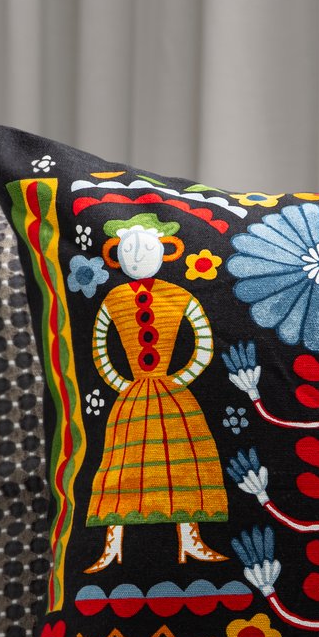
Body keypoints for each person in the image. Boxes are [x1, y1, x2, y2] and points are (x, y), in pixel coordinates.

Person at [84, 213, 227, 570]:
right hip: (133, 396)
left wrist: (182, 377)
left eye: (145, 248)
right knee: (123, 465)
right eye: (127, 249)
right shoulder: (114, 298)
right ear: (116, 256)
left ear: (165, 250)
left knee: (184, 464)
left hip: (171, 392)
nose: (136, 256)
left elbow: (203, 339)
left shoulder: (176, 294)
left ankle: (191, 541)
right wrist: (121, 383)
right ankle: (111, 547)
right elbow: (99, 345)